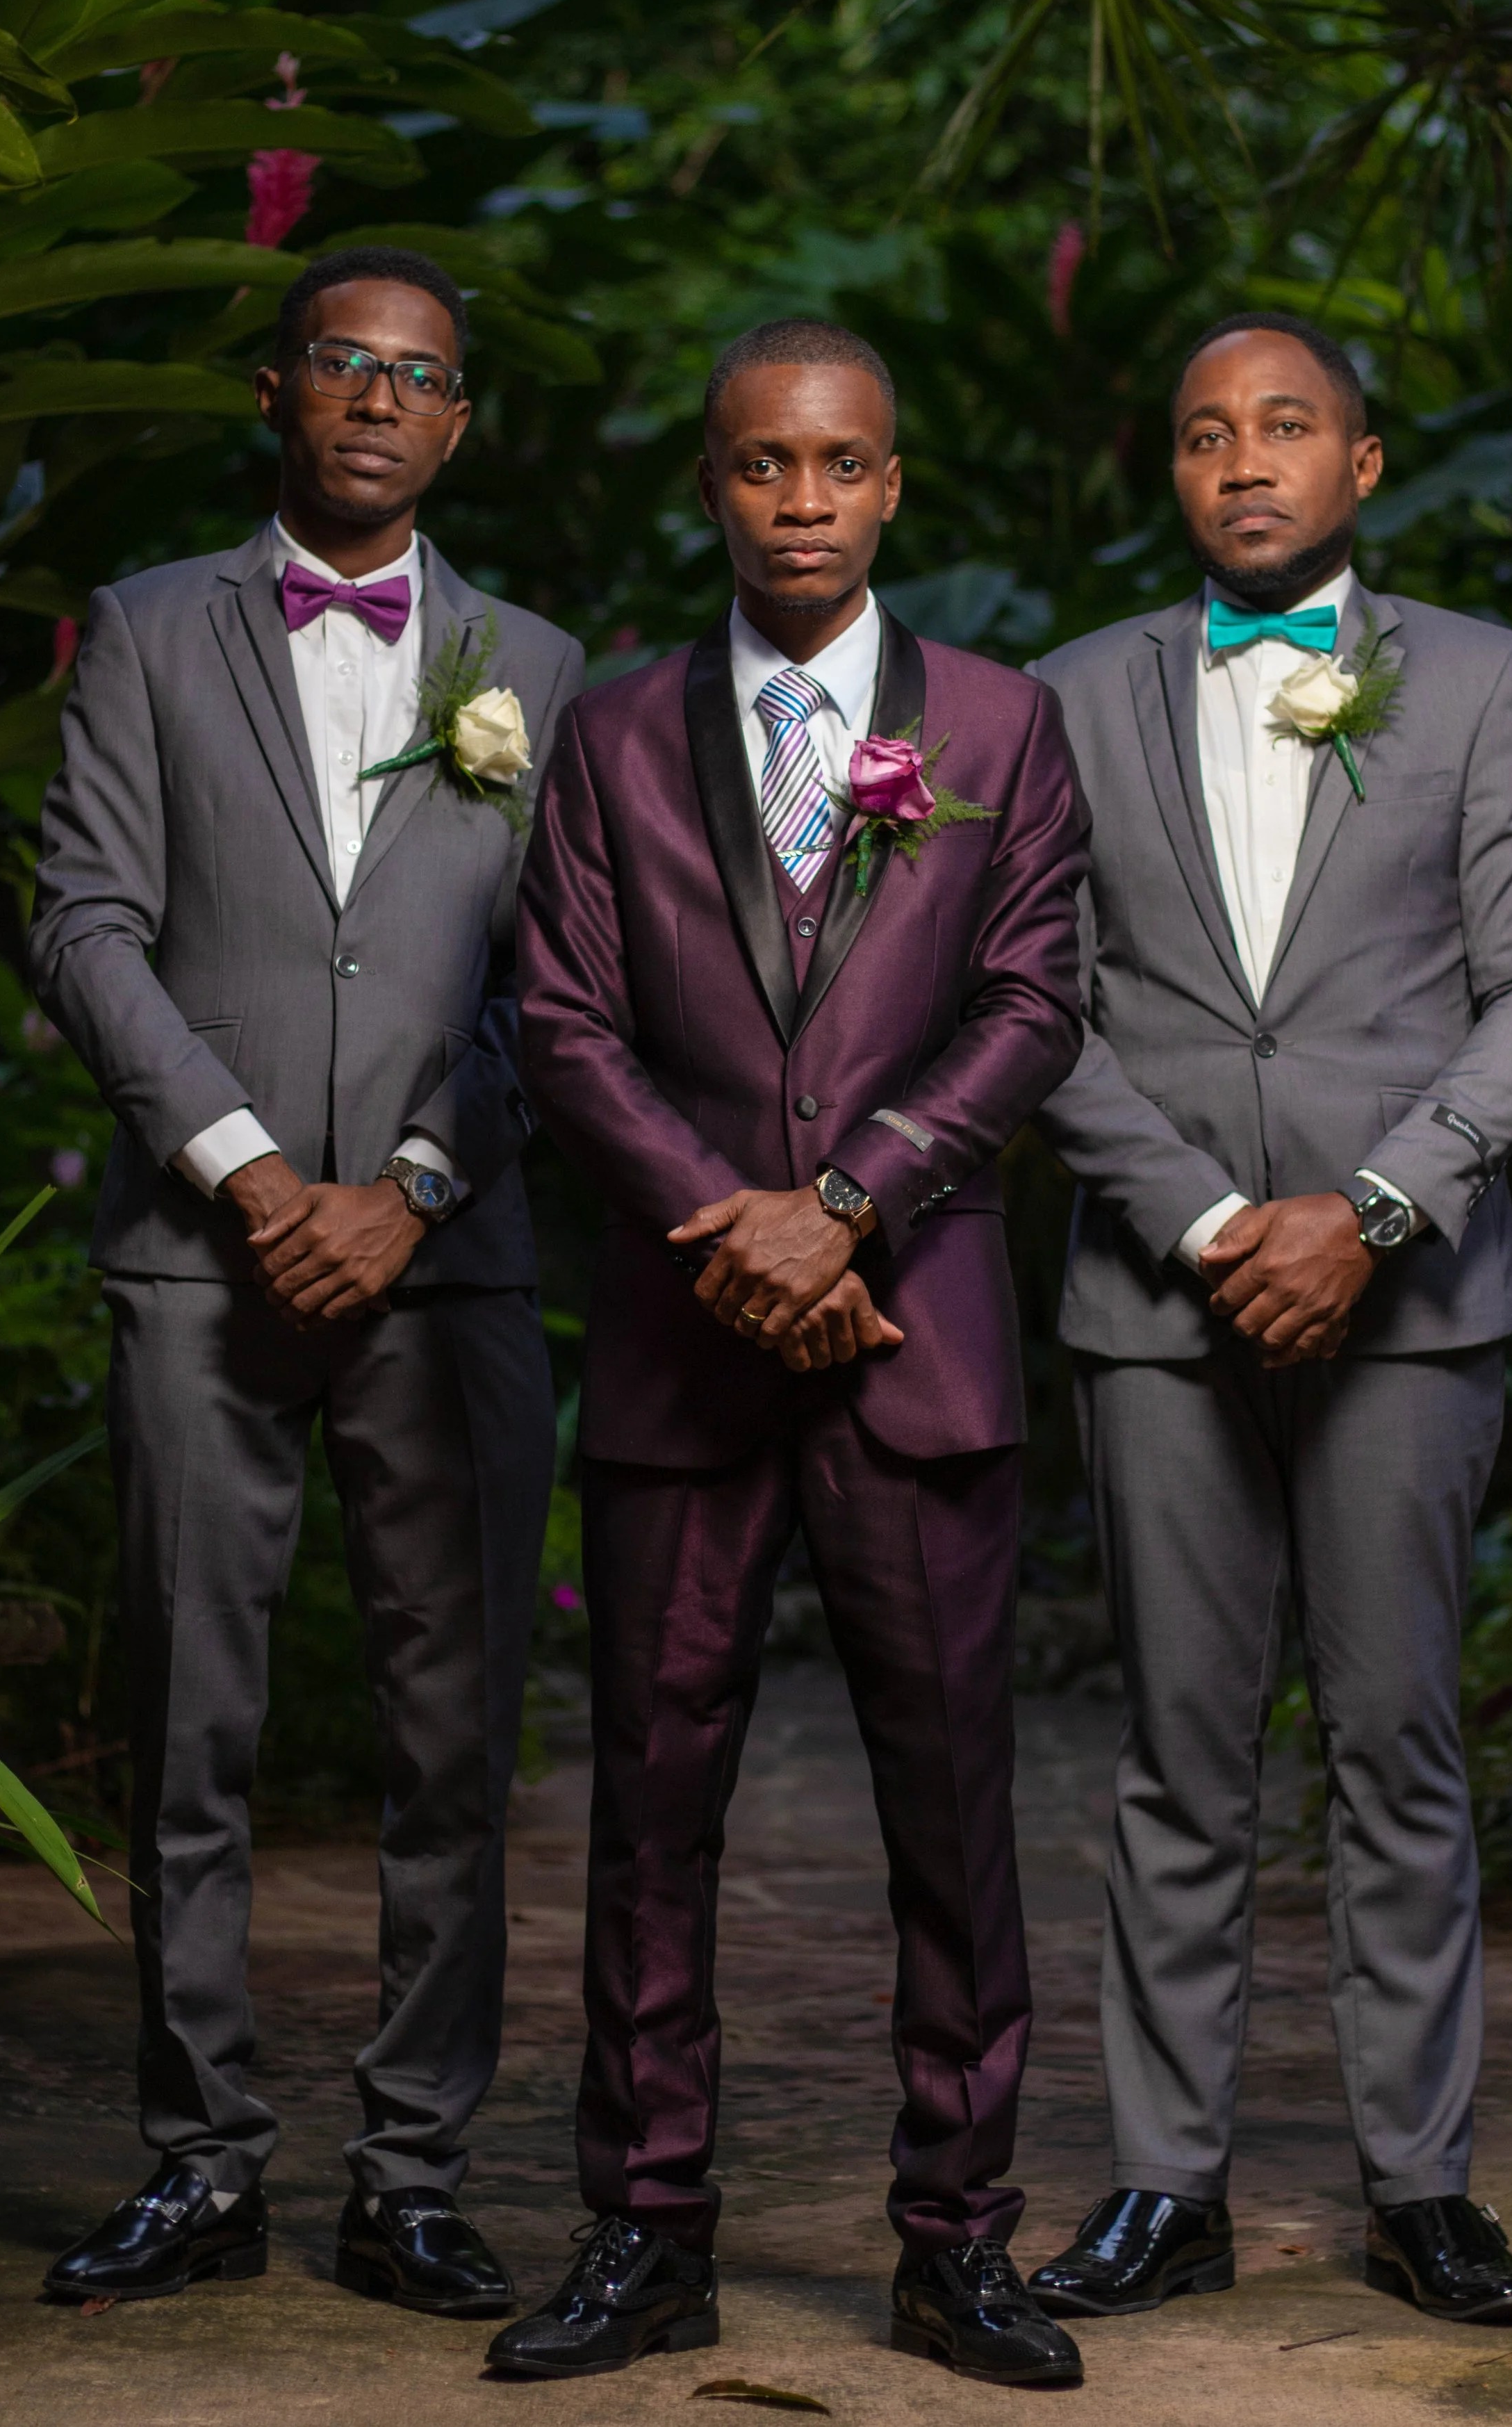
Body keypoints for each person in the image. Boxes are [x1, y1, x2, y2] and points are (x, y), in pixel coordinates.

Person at [497, 319, 1091, 2387]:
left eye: (839, 464)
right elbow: (563, 1019)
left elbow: (1031, 1001)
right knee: (649, 1815)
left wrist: (842, 1209)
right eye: (762, 466)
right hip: (684, 1353)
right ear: (714, 489)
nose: (803, 500)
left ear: (893, 483)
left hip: (909, 1342)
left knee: (954, 1816)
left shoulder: (1003, 725)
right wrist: (724, 1224)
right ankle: (645, 2228)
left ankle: (957, 2238)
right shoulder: (609, 729)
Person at [1025, 311, 1512, 2328]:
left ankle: (1417, 2182)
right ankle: (1159, 2182)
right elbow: (1036, 1004)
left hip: (1406, 1302)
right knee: (1177, 1753)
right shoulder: (1072, 696)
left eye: (1284, 428)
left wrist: (1367, 1209)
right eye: (1203, 434)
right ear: (1170, 476)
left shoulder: (1480, 681)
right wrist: (1197, 1218)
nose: (1242, 461)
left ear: (1361, 465)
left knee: (1394, 1741)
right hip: (1158, 1301)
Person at [28, 246, 582, 2317]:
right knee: (195, 1721)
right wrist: (258, 1174)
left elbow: (563, 980)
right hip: (204, 1258)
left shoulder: (538, 656)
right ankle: (200, 2162)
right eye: (341, 361)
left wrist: (414, 1182)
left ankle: (412, 2175)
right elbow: (86, 922)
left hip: (446, 1276)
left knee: (451, 1740)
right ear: (280, 391)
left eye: (417, 374)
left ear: (458, 422)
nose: (375, 395)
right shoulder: (153, 632)